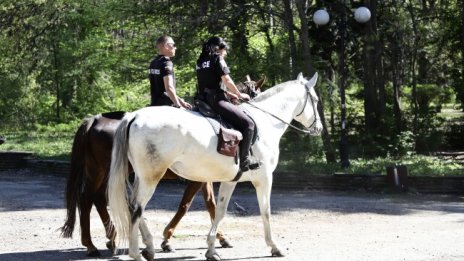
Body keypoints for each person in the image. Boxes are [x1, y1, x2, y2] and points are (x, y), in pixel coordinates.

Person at [196, 36, 259, 172]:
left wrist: (228, 94)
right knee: (249, 124)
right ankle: (245, 161)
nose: (226, 53)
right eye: (225, 50)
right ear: (219, 48)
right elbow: (227, 80)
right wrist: (239, 94)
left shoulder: (200, 61)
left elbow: (208, 84)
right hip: (215, 101)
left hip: (202, 100)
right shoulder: (217, 58)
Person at [148, 35, 192, 109]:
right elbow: (169, 88)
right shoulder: (166, 63)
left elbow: (162, 89)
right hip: (166, 106)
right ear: (166, 46)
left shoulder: (153, 63)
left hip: (154, 105)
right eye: (173, 45)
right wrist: (178, 105)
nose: (175, 48)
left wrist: (181, 101)